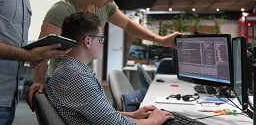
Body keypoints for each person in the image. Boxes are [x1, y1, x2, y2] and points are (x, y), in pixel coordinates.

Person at [26, 0, 181, 108]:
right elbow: (43, 50)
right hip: (67, 82)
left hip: (88, 79)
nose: (112, 0)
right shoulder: (61, 10)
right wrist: (39, 81)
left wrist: (160, 40)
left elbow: (127, 24)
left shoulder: (106, 6)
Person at [46, 11, 175, 125]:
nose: (102, 44)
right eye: (101, 40)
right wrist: (153, 121)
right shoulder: (77, 78)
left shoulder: (70, 69)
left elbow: (101, 115)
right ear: (88, 42)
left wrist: (133, 115)